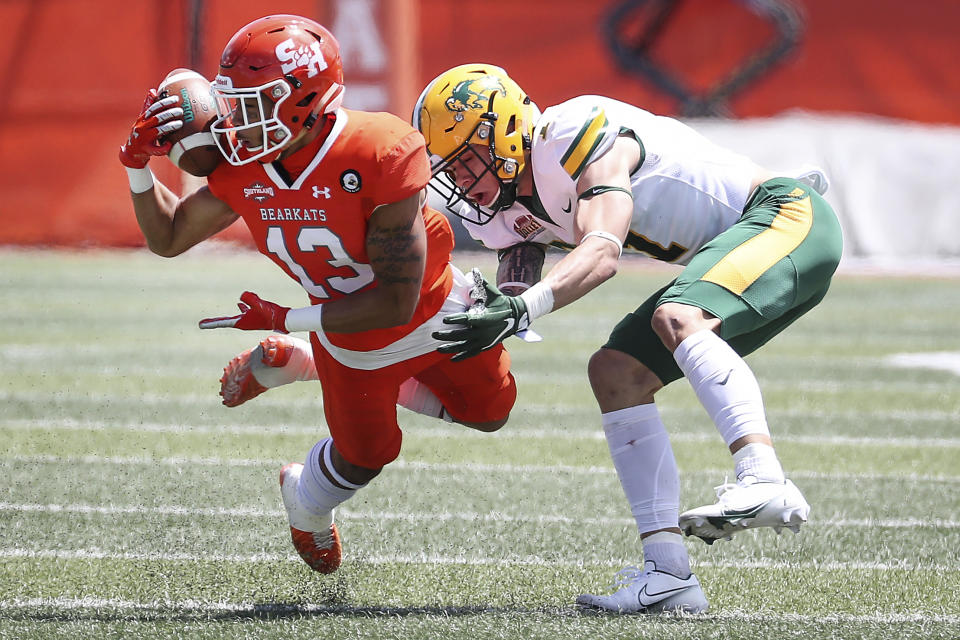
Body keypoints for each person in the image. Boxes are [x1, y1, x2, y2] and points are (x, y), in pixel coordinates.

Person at [411, 63, 843, 614]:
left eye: (468, 159)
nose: (462, 180)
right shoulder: (507, 202)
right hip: (740, 246)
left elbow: (602, 250)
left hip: (785, 217)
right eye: (451, 168)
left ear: (504, 131)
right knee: (616, 372)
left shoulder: (569, 133)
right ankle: (669, 575)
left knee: (679, 314)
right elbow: (521, 253)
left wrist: (520, 308)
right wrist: (496, 305)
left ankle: (764, 477)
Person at [117, 18, 516, 576]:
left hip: (433, 310)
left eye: (253, 103)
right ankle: (304, 503)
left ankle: (303, 362)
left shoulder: (379, 150)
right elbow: (169, 237)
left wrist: (286, 317)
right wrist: (137, 168)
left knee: (493, 413)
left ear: (305, 100)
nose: (235, 120)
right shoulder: (244, 167)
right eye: (231, 102)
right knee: (367, 456)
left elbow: (395, 302)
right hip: (350, 337)